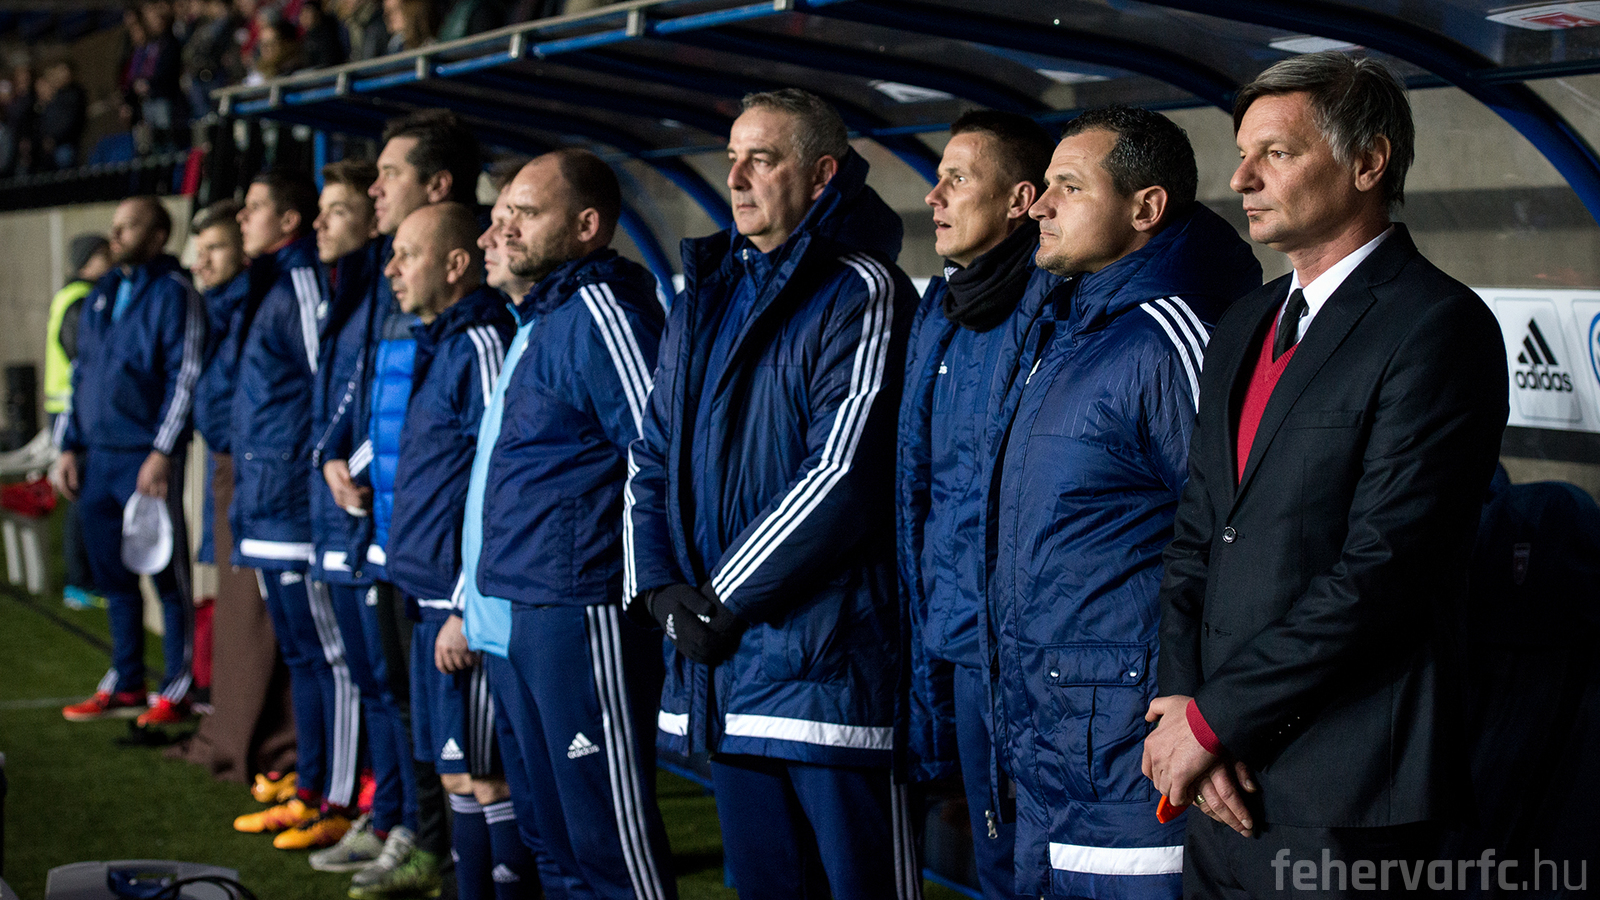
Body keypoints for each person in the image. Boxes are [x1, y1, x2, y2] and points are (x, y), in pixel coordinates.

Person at [1143, 52, 1510, 898]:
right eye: (1243, 154)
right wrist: (1182, 702)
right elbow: (1198, 531)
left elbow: (1385, 570)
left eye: (1275, 153)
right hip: (1214, 777)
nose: (1240, 179)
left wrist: (1214, 720)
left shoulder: (1436, 326)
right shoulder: (1244, 321)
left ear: (1368, 162)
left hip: (1349, 790)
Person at [625, 88, 918, 899]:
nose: (737, 177)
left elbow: (840, 474)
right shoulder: (706, 295)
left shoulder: (863, 289)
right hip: (725, 667)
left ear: (822, 175)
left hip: (826, 667)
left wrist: (717, 601)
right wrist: (659, 590)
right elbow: (650, 454)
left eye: (763, 159)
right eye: (732, 159)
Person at [987, 107, 1260, 900]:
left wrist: (1217, 718)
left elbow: (1241, 537)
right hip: (1053, 753)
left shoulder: (1170, 337)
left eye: (1069, 187)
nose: (1039, 205)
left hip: (1138, 762)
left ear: (1145, 208)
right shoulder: (1069, 333)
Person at [458, 150, 674, 900]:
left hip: (583, 605)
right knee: (554, 842)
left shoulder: (603, 313)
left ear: (586, 226)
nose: (505, 227)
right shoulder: (547, 316)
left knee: (609, 845)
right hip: (525, 603)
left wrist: (655, 586)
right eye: (505, 212)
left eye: (526, 212)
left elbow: (659, 449)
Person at [321, 107, 481, 895]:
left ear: (438, 186)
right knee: (400, 698)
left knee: (451, 729)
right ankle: (408, 827)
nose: (375, 188)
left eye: (389, 174)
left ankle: (438, 844)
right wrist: (335, 454)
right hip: (391, 536)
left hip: (438, 559)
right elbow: (378, 409)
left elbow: (451, 440)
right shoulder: (386, 282)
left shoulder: (468, 319)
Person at [895, 109, 1053, 900]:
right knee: (996, 864)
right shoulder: (943, 308)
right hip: (959, 641)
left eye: (957, 179)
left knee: (1045, 866)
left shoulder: (1058, 303)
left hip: (1034, 654)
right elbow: (921, 488)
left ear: (1020, 199)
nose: (934, 197)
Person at [383, 201, 536, 900]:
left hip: (460, 605)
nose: (392, 269)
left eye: (407, 255)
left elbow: (498, 477)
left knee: (486, 774)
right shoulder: (442, 341)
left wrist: (464, 603)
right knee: (455, 772)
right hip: (429, 600)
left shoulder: (480, 342)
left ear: (454, 264)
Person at [228, 170, 360, 852]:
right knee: (305, 656)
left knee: (328, 658)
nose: (241, 218)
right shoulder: (272, 282)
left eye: (254, 207)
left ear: (287, 221)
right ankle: (311, 784)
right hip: (265, 504)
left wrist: (313, 472)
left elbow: (326, 390)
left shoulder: (305, 282)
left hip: (293, 504)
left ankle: (337, 796)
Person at [302, 159, 426, 879]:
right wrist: (328, 454)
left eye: (339, 209)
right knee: (375, 682)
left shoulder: (392, 282)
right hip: (348, 506)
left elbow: (396, 400)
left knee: (394, 686)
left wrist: (346, 458)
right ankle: (387, 818)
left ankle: (411, 826)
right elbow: (345, 397)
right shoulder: (350, 286)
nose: (323, 223)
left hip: (381, 514)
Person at [50, 196, 202, 729]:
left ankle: (178, 688)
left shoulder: (175, 292)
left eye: (129, 227)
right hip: (97, 458)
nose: (115, 235)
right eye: (115, 226)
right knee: (113, 578)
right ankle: (127, 680)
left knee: (166, 579)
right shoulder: (102, 293)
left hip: (145, 459)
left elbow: (185, 374)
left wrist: (162, 451)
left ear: (158, 236)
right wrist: (68, 445)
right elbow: (80, 373)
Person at [169, 198, 298, 784]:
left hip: (256, 473)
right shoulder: (220, 309)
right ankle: (240, 735)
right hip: (229, 468)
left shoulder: (260, 303)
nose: (203, 261)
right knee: (240, 614)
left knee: (255, 618)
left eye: (216, 247)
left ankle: (264, 748)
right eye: (200, 250)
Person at [44, 233, 110, 612]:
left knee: (80, 494)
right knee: (78, 495)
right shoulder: (79, 300)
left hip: (71, 410)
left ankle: (83, 580)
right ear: (88, 259)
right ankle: (79, 583)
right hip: (71, 412)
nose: (111, 260)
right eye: (104, 254)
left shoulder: (76, 295)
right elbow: (83, 358)